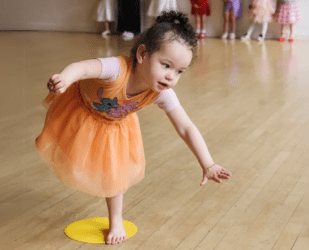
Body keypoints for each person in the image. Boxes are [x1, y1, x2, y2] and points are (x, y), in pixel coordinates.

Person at [36, 11, 232, 245]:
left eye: (179, 71)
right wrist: (65, 78)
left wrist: (207, 163)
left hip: (115, 126)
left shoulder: (162, 93)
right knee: (69, 151)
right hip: (81, 109)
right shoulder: (116, 69)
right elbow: (83, 68)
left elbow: (186, 126)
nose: (171, 77)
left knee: (114, 172)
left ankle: (116, 219)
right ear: (142, 54)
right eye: (166, 65)